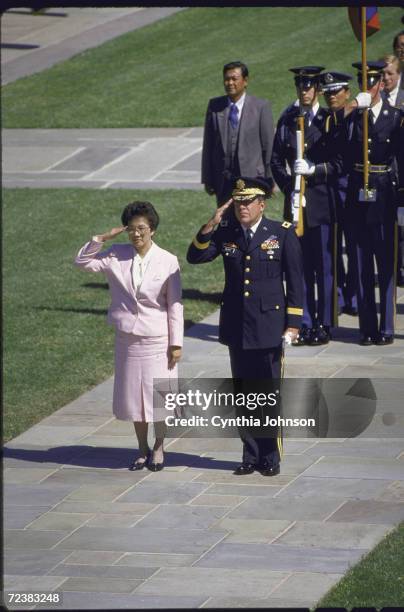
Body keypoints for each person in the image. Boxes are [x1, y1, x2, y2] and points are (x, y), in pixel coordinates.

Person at [187, 177, 303, 476]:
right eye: (238, 202)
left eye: (248, 202)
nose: (242, 207)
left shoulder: (281, 233)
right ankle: (249, 455)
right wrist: (211, 224)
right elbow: (196, 256)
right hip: (237, 327)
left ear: (261, 204)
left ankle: (270, 457)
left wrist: (293, 324)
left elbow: (296, 282)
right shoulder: (226, 233)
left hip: (268, 326)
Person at [75, 201, 183, 471]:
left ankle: (159, 447)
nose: (137, 234)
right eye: (132, 229)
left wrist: (176, 343)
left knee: (159, 397)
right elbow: (82, 262)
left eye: (142, 228)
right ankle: (141, 448)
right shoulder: (115, 254)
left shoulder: (168, 260)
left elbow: (175, 305)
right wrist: (100, 239)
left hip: (158, 340)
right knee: (135, 397)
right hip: (128, 340)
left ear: (152, 230)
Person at [271, 66, 339, 346]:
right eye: (301, 86)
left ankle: (323, 323)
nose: (305, 91)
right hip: (296, 204)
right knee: (299, 267)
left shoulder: (327, 120)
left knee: (322, 266)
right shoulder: (288, 119)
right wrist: (290, 186)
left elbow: (337, 162)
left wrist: (314, 171)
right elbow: (276, 159)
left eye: (310, 87)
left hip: (321, 203)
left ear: (318, 90)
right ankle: (304, 321)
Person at [343, 61, 404, 345]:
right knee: (360, 262)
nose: (366, 87)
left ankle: (387, 327)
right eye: (361, 82)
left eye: (371, 82)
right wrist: (356, 104)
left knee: (386, 263)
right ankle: (367, 327)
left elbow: (402, 161)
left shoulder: (395, 117)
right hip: (357, 197)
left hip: (384, 196)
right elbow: (337, 122)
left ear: (381, 83)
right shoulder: (353, 116)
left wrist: (402, 200)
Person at [201, 61, 275, 206]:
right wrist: (207, 178)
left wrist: (269, 178)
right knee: (226, 223)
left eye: (234, 79)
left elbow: (268, 146)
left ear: (245, 81)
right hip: (223, 181)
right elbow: (208, 144)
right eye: (227, 79)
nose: (230, 83)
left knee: (249, 221)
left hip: (253, 179)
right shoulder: (215, 106)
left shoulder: (261, 107)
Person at [320, 70, 358, 317]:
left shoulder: (356, 117)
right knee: (332, 245)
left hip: (351, 187)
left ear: (347, 92)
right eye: (328, 93)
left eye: (336, 92)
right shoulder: (325, 118)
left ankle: (353, 295)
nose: (332, 96)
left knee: (353, 244)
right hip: (328, 189)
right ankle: (340, 294)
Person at [381, 54, 404, 286]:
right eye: (383, 74)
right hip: (383, 175)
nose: (386, 78)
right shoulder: (377, 99)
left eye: (390, 73)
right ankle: (394, 269)